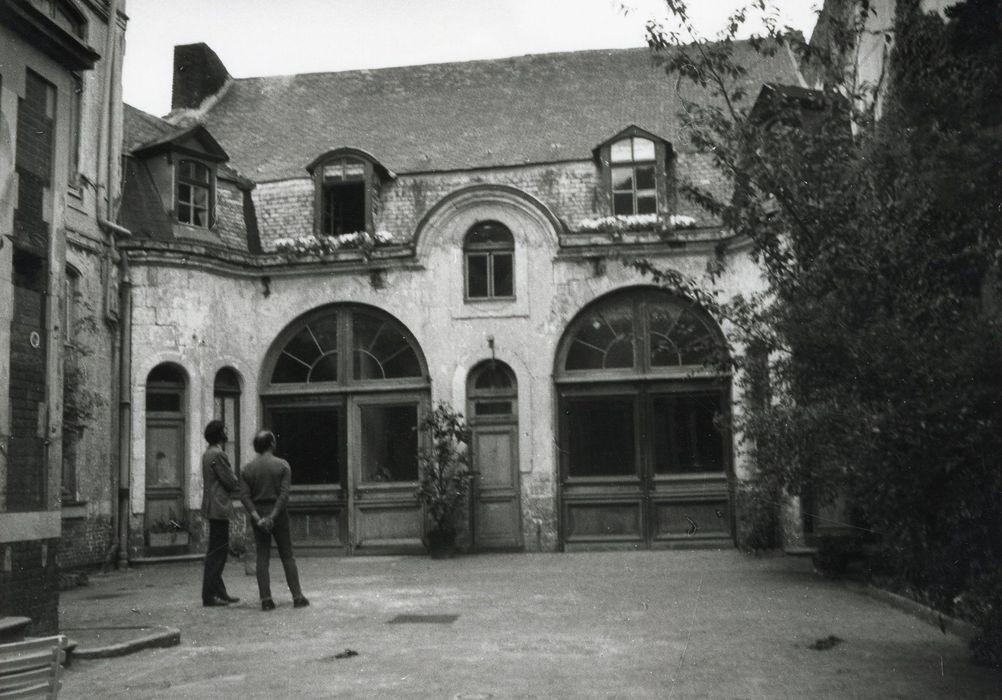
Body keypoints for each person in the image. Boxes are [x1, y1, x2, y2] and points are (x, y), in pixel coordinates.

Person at [240, 430, 309, 611]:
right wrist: (273, 516)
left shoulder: (247, 469)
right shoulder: (283, 466)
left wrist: (258, 518)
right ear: (272, 444)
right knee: (287, 555)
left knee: (262, 557)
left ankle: (266, 600)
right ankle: (297, 596)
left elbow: (245, 498)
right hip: (278, 514)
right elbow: (284, 495)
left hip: (258, 514)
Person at [200, 419, 240, 607]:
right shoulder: (219, 455)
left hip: (211, 506)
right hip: (219, 507)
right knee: (218, 553)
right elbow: (230, 481)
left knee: (216, 551)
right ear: (219, 434)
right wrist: (234, 478)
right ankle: (209, 595)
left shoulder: (208, 453)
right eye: (224, 430)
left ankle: (219, 592)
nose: (227, 433)